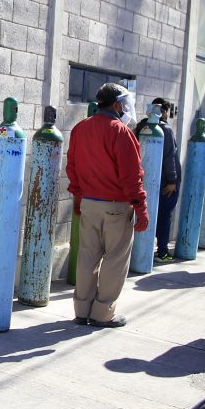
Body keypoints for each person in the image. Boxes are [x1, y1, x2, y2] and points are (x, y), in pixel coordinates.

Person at [66, 83, 148, 328]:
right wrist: (141, 208)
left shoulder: (80, 128)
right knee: (115, 259)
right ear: (115, 105)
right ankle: (103, 313)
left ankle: (82, 310)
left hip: (89, 204)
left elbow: (73, 168)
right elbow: (132, 175)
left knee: (87, 257)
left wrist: (79, 198)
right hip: (116, 206)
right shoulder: (121, 132)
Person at [149, 98, 181, 263]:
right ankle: (162, 252)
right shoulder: (165, 130)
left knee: (150, 216)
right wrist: (172, 180)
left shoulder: (143, 126)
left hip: (149, 181)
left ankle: (147, 250)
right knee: (164, 216)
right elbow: (169, 157)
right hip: (164, 183)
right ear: (163, 112)